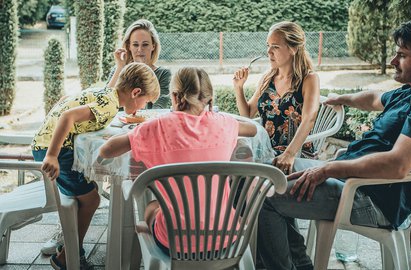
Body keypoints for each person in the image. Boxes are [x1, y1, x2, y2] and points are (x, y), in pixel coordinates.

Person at [257, 19, 411, 270]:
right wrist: (341, 98)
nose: (393, 61)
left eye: (401, 55)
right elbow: (373, 99)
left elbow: (398, 164)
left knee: (262, 196)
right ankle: (300, 264)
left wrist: (327, 169)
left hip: (371, 198)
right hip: (353, 181)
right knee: (267, 174)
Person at [98, 67, 257, 253]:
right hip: (225, 237)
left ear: (174, 96)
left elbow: (106, 150)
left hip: (175, 244)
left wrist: (137, 132)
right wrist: (221, 118)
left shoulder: (155, 127)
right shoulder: (224, 123)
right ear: (208, 98)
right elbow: (252, 129)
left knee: (151, 207)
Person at [32, 62, 160, 269]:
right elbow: (67, 115)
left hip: (48, 144)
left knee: (87, 193)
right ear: (136, 92)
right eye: (146, 101)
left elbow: (65, 101)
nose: (143, 107)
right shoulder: (108, 105)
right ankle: (66, 257)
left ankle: (73, 248)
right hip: (54, 150)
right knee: (92, 200)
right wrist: (52, 155)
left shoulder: (108, 93)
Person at [233, 21, 320, 269]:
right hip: (267, 152)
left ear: (292, 49)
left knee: (252, 191)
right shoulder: (268, 77)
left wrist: (290, 154)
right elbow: (248, 112)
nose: (268, 53)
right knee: (238, 183)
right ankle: (295, 261)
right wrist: (238, 88)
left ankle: (271, 260)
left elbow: (310, 117)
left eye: (274, 47)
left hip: (293, 154)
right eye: (267, 47)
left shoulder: (308, 79)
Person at [107, 19, 171, 109]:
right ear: (129, 46)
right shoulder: (118, 69)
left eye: (145, 45)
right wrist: (120, 68)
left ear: (153, 46)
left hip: (149, 122)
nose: (140, 49)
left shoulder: (163, 74)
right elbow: (105, 101)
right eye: (135, 45)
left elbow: (159, 107)